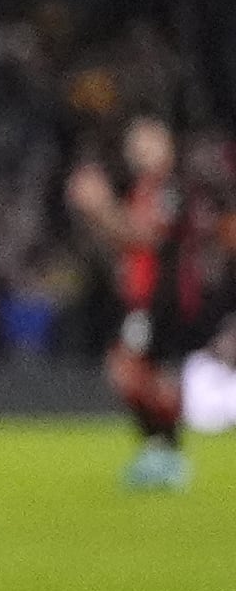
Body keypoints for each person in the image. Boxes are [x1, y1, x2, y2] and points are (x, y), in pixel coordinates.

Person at [67, 116, 216, 493]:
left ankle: (166, 451)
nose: (138, 149)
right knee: (135, 371)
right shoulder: (145, 189)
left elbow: (144, 238)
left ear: (165, 148)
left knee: (130, 370)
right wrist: (98, 215)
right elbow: (126, 240)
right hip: (142, 296)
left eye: (147, 142)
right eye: (134, 142)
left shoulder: (169, 190)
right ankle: (160, 450)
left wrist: (99, 207)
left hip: (161, 298)